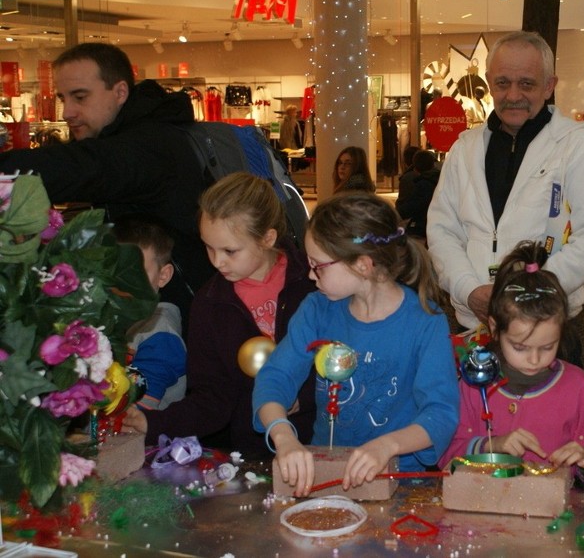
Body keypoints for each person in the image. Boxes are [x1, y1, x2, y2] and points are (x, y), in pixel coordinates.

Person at [253, 192, 459, 496]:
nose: (311, 275)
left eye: (318, 265)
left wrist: (387, 446)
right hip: (326, 472)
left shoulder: (425, 322)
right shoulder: (317, 309)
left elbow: (441, 413)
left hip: (399, 482)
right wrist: (283, 437)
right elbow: (275, 377)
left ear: (363, 265)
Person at [0, 43, 214, 330]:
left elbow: (82, 168)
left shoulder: (148, 146)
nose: (68, 112)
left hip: (183, 323)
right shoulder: (138, 133)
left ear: (120, 92)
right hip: (164, 308)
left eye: (80, 97)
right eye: (63, 98)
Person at [427, 30, 584, 333]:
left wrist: (527, 295)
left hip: (547, 327)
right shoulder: (464, 149)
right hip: (475, 322)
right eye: (503, 83)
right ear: (489, 83)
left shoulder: (578, 148)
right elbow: (442, 230)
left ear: (549, 86)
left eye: (526, 83)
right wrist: (468, 289)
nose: (513, 95)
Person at [123, 172, 317, 459]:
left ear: (267, 238)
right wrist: (153, 423)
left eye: (229, 250)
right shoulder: (210, 302)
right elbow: (212, 396)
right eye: (208, 247)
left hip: (327, 439)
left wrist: (305, 395)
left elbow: (347, 355)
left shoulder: (314, 281)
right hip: (255, 452)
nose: (217, 261)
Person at [439, 241, 584, 488]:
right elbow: (445, 455)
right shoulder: (473, 382)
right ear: (494, 328)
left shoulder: (576, 384)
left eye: (547, 347)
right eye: (520, 347)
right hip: (485, 510)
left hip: (552, 514)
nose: (534, 360)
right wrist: (493, 445)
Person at [113, 215, 187, 411]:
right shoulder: (102, 320)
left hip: (144, 438)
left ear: (163, 276)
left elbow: (135, 410)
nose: (124, 283)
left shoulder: (160, 336)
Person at [395, 150, 440, 240]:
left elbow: (412, 207)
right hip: (435, 224)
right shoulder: (438, 179)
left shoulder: (422, 184)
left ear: (415, 167)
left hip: (422, 226)